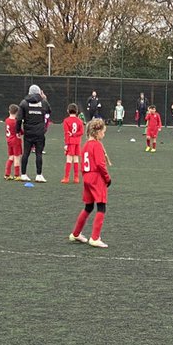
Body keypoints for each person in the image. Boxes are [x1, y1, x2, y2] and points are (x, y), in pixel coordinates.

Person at [69, 118, 112, 248]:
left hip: (87, 178)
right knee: (101, 207)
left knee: (88, 207)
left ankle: (76, 233)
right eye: (103, 132)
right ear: (97, 132)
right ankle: (95, 237)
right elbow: (100, 164)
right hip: (96, 178)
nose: (104, 134)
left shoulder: (86, 145)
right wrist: (107, 178)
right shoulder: (97, 145)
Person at [16, 84, 51, 182]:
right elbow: (49, 111)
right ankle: (39, 175)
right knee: (39, 154)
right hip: (40, 132)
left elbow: (18, 119)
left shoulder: (24, 103)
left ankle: (23, 174)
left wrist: (18, 131)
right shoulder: (43, 102)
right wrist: (45, 99)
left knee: (26, 153)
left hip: (28, 132)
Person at [61, 103, 84, 182]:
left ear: (68, 111)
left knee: (69, 159)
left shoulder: (66, 121)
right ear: (77, 111)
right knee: (76, 159)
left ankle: (66, 178)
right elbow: (81, 132)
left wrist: (66, 144)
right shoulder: (79, 121)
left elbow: (67, 133)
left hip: (70, 142)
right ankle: (76, 178)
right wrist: (75, 134)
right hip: (77, 142)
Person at [3, 104, 22, 180]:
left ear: (9, 111)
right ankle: (17, 175)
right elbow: (19, 131)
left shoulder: (7, 120)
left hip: (9, 140)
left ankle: (7, 174)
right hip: (16, 141)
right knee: (17, 158)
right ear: (17, 112)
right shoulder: (15, 122)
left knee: (11, 157)